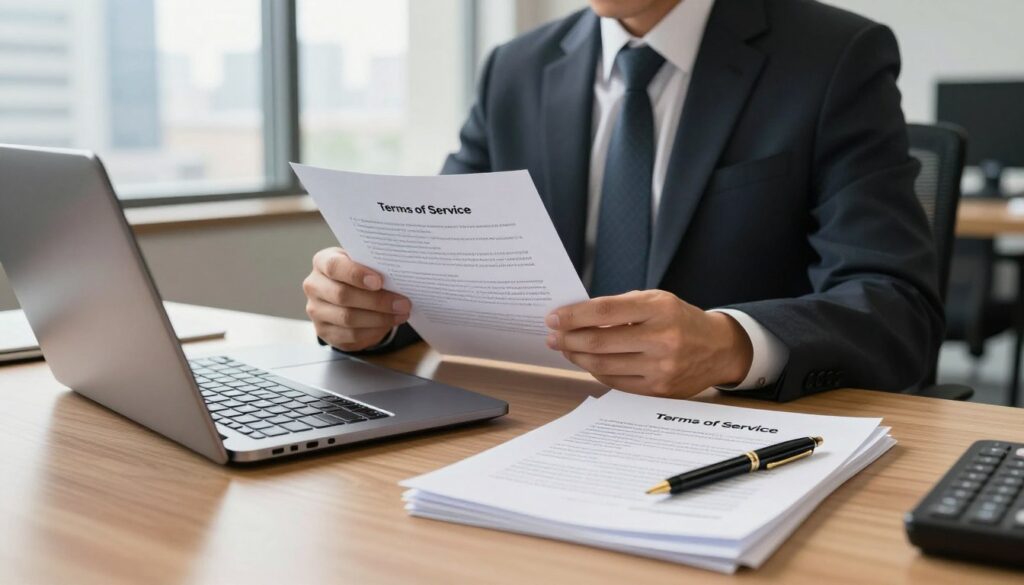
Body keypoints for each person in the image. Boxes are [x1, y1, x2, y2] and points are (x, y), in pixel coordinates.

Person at [302, 0, 943, 402]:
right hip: (537, 415)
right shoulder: (515, 70)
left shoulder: (834, 56)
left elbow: (896, 304)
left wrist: (729, 344)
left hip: (726, 431)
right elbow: (441, 267)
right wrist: (371, 311)